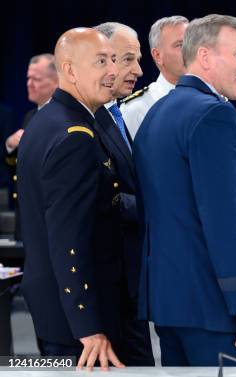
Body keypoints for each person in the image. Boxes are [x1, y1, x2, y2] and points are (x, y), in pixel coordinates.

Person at [133, 14, 236, 366]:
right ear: (205, 57)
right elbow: (224, 221)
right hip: (213, 307)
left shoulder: (157, 112)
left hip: (168, 303)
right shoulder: (214, 116)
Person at [17, 27, 124, 371]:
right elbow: (68, 239)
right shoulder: (74, 136)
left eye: (112, 60)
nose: (112, 71)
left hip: (55, 306)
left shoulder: (46, 120)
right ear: (71, 71)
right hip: (77, 322)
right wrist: (88, 326)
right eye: (100, 62)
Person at [92, 22, 154, 366]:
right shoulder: (84, 120)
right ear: (103, 60)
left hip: (129, 281)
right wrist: (160, 207)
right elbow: (102, 199)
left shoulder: (115, 112)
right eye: (129, 59)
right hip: (107, 288)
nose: (139, 70)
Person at [6, 54, 58, 240]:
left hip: (47, 224)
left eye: (35, 79)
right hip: (27, 221)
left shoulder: (61, 117)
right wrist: (10, 147)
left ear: (56, 81)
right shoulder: (30, 116)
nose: (29, 83)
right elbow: (18, 169)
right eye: (28, 78)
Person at [121, 15, 188, 137]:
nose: (190, 50)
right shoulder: (136, 110)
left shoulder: (214, 97)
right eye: (180, 45)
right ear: (158, 55)